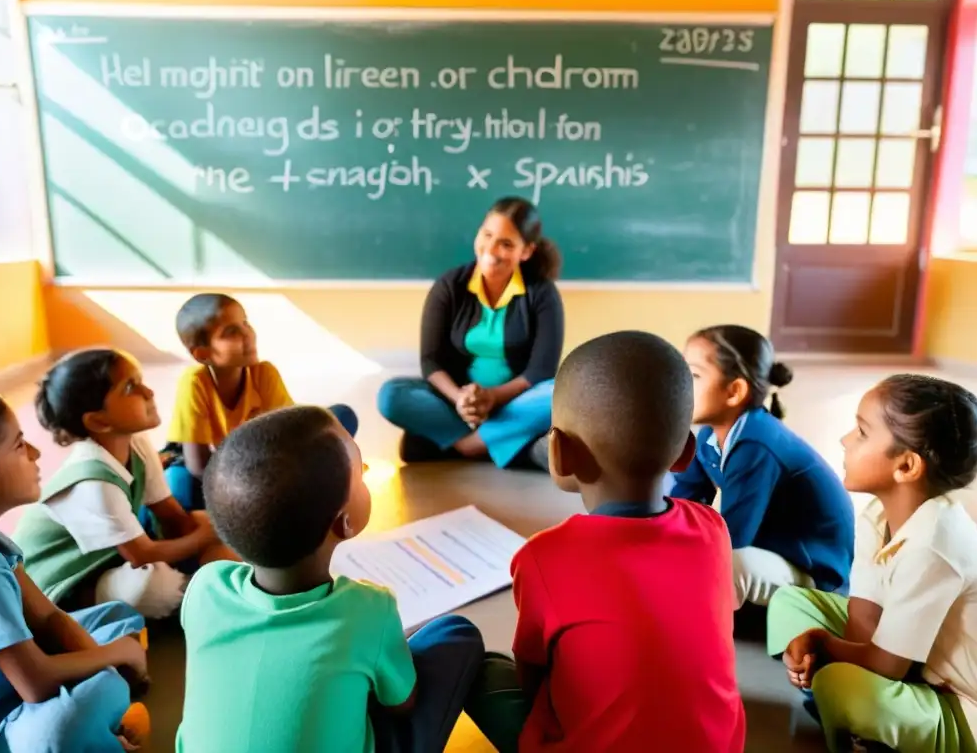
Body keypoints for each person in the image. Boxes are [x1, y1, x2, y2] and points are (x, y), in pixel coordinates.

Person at [465, 331, 745, 752]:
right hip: (718, 744)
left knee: (485, 669)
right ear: (686, 453)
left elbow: (533, 674)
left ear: (557, 452)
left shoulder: (543, 557)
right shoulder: (712, 528)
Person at [176, 405, 484, 752]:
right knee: (457, 634)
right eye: (360, 470)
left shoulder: (203, 587)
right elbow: (403, 703)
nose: (366, 469)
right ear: (345, 522)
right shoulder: (369, 610)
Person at [768, 374, 977, 753]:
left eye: (862, 432)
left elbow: (887, 664)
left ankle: (862, 725)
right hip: (911, 663)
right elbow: (863, 617)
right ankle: (853, 714)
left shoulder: (935, 545)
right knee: (789, 603)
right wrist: (829, 648)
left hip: (957, 704)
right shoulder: (876, 516)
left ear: (906, 466)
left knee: (840, 684)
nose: (845, 439)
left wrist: (822, 646)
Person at [0, 390, 151, 752]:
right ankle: (100, 723)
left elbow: (47, 617)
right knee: (66, 725)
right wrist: (115, 656)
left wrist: (105, 657)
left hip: (5, 675)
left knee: (121, 616)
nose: (36, 453)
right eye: (19, 446)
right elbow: (35, 682)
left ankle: (106, 709)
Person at [13, 349, 234, 619]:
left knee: (213, 541)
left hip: (111, 557)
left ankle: (205, 590)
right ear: (98, 420)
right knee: (151, 587)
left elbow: (170, 514)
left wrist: (208, 537)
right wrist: (206, 535)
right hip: (64, 582)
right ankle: (199, 599)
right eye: (130, 387)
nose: (148, 392)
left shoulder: (135, 443)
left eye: (140, 380)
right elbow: (141, 555)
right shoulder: (92, 481)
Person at [668, 325, 855, 608]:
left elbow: (732, 538)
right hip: (770, 548)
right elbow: (683, 503)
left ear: (734, 391)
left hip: (814, 573)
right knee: (675, 549)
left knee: (729, 563)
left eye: (693, 375)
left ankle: (695, 622)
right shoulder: (708, 436)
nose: (680, 385)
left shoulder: (756, 445)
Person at [376, 197, 564, 470]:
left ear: (526, 251)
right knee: (391, 395)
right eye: (487, 235)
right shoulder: (450, 286)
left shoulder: (542, 294)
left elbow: (541, 371)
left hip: (514, 404)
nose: (492, 248)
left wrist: (492, 398)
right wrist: (461, 399)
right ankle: (500, 444)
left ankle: (464, 445)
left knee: (558, 393)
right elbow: (432, 361)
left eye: (507, 243)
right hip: (458, 405)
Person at [164, 293, 359, 513]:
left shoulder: (264, 373)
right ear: (203, 353)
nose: (247, 334)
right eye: (231, 332)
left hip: (262, 463)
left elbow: (288, 436)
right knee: (179, 484)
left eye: (245, 323)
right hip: (222, 470)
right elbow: (198, 466)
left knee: (340, 417)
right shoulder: (194, 382)